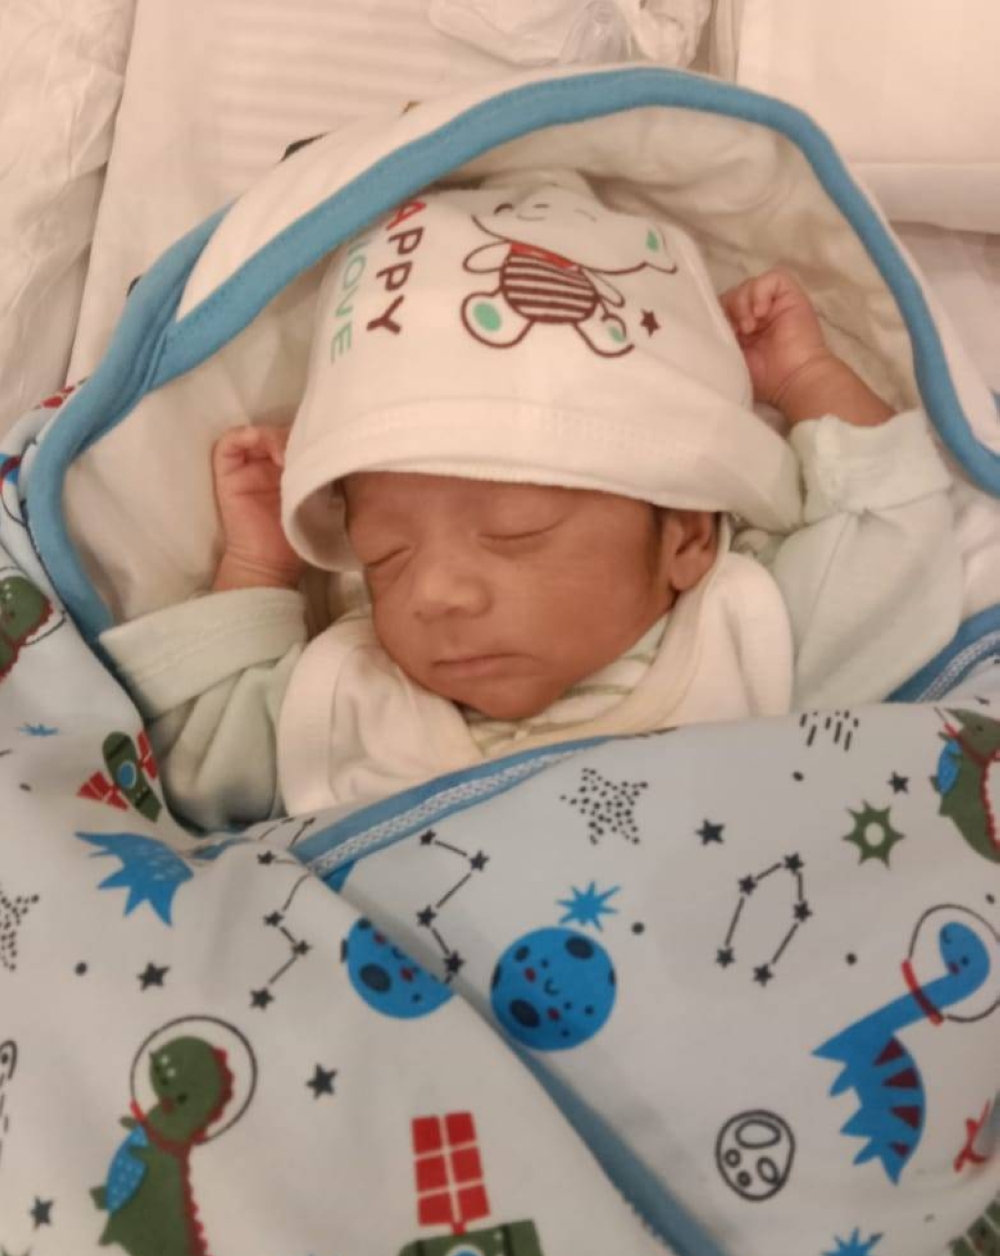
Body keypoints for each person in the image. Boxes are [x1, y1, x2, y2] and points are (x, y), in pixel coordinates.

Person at [101, 178, 962, 828]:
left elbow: (892, 534)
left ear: (687, 535)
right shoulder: (355, 700)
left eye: (516, 532)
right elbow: (195, 756)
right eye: (386, 557)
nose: (434, 592)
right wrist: (260, 565)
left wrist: (805, 378)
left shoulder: (738, 635)